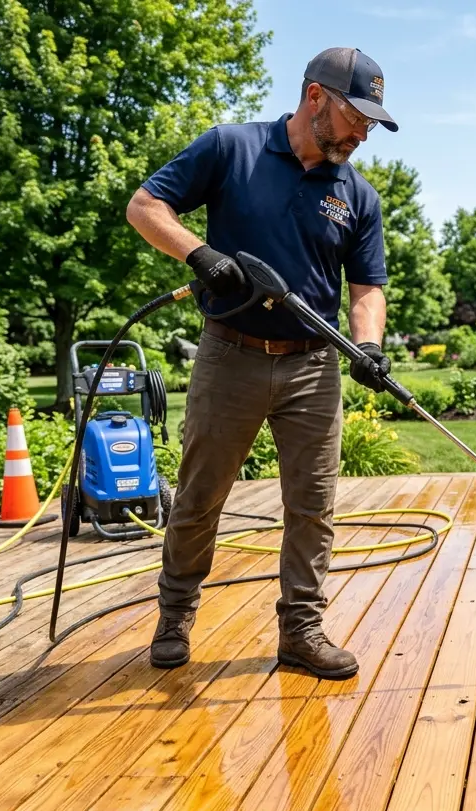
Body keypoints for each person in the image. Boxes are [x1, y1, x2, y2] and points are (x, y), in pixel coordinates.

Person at [124, 47, 398, 679]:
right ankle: (175, 615)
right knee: (201, 495)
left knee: (314, 503)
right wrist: (199, 255)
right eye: (358, 117)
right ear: (315, 98)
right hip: (231, 356)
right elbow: (146, 206)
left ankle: (301, 631)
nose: (363, 134)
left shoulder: (356, 194)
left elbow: (367, 288)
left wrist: (371, 345)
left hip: (312, 367)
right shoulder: (231, 148)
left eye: (372, 124)